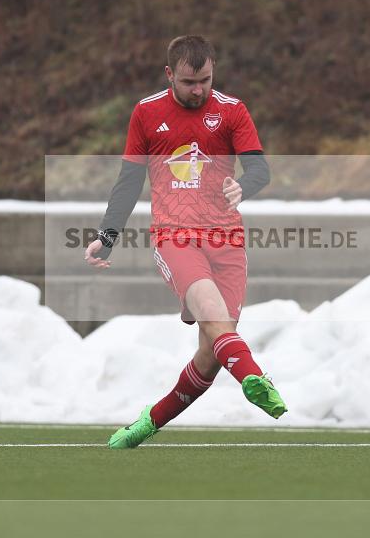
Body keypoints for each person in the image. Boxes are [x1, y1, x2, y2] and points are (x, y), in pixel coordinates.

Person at [84, 35, 287, 449]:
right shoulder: (146, 113)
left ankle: (148, 422)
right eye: (189, 82)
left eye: (206, 81)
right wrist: (107, 236)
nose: (199, 90)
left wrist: (242, 188)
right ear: (169, 75)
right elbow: (129, 181)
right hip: (174, 234)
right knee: (215, 319)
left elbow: (260, 171)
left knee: (212, 354)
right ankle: (254, 378)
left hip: (226, 238)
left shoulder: (232, 111)